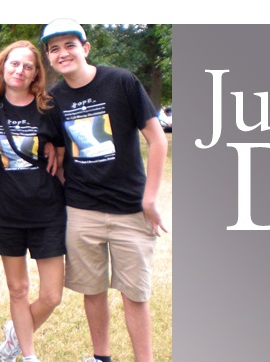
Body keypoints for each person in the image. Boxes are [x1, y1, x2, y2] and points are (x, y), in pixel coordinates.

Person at [41, 18, 168, 362]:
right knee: (92, 291)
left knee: (135, 295)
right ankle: (101, 357)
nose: (62, 53)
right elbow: (59, 150)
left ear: (85, 48)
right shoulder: (53, 100)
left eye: (69, 44)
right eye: (54, 48)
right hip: (82, 211)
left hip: (131, 210)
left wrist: (150, 198)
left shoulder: (121, 82)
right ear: (50, 58)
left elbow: (157, 141)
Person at [0, 40, 65, 362]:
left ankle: (15, 333)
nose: (19, 70)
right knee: (18, 290)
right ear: (4, 66)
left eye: (28, 66)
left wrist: (53, 151)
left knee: (52, 295)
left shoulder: (48, 108)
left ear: (36, 74)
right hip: (7, 213)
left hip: (47, 211)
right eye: (14, 63)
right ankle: (27, 354)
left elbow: (59, 152)